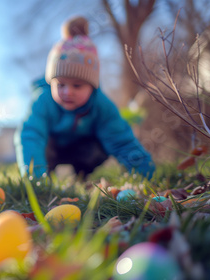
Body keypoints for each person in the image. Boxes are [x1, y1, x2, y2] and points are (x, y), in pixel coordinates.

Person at [14, 16, 154, 180]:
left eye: (77, 86)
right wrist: (34, 176)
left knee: (99, 146)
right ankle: (44, 176)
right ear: (50, 83)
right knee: (39, 144)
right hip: (52, 149)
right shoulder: (43, 101)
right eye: (60, 85)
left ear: (92, 86)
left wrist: (144, 171)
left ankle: (81, 175)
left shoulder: (101, 105)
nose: (68, 92)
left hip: (82, 150)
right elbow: (31, 135)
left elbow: (120, 138)